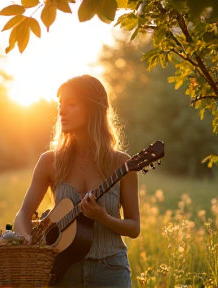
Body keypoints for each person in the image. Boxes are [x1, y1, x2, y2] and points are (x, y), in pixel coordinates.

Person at [14, 74, 140, 288]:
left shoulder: (122, 163)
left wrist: (104, 218)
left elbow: (134, 227)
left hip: (111, 271)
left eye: (71, 104)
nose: (62, 111)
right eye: (60, 105)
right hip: (63, 272)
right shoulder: (50, 161)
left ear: (93, 109)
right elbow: (23, 214)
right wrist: (28, 243)